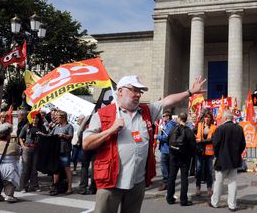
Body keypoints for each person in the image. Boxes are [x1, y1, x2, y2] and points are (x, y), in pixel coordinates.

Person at [82, 75, 206, 213]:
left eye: (140, 92)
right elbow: (86, 143)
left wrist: (190, 92)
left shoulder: (146, 111)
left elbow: (168, 101)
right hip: (111, 182)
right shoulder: (102, 114)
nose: (138, 95)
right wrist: (111, 130)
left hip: (137, 182)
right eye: (134, 90)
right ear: (120, 91)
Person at [209, 110, 246, 211]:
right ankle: (232, 205)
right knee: (233, 182)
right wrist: (237, 154)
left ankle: (215, 202)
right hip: (234, 160)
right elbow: (243, 145)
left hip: (222, 160)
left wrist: (218, 155)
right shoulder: (239, 128)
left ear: (224, 118)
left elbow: (215, 145)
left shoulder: (220, 129)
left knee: (218, 183)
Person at [166, 112, 196, 206]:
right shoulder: (189, 131)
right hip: (185, 159)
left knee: (171, 178)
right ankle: (183, 200)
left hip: (173, 157)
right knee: (184, 179)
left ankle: (170, 198)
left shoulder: (173, 129)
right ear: (186, 119)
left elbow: (168, 141)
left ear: (178, 118)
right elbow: (193, 146)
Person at [0, 123, 20, 203]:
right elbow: (18, 153)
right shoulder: (14, 145)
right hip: (9, 168)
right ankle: (9, 195)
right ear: (8, 135)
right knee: (9, 182)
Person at [19, 113, 46, 192]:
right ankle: (24, 186)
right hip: (27, 148)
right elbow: (20, 137)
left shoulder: (42, 127)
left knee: (34, 168)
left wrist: (42, 134)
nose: (34, 120)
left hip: (37, 149)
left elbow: (45, 137)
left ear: (39, 119)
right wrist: (23, 146)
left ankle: (34, 185)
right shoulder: (27, 126)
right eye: (33, 118)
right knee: (26, 168)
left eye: (36, 118)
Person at [50, 110, 74, 194]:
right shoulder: (56, 127)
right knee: (56, 169)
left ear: (63, 118)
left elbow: (70, 137)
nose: (55, 118)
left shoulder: (69, 126)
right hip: (56, 151)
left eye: (57, 117)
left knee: (66, 168)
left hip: (65, 151)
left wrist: (64, 135)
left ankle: (70, 188)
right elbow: (50, 135)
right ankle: (55, 187)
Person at [195, 111, 217, 196]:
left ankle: (209, 188)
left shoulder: (214, 127)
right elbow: (193, 132)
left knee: (209, 170)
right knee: (199, 169)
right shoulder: (199, 125)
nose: (207, 119)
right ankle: (198, 188)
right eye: (205, 117)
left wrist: (201, 141)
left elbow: (212, 140)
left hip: (209, 152)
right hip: (199, 151)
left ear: (211, 119)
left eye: (208, 117)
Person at [155, 110, 176, 191]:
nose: (162, 117)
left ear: (168, 117)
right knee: (167, 166)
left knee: (164, 167)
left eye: (163, 116)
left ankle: (166, 182)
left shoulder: (169, 125)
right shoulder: (168, 124)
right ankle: (168, 182)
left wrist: (157, 137)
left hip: (166, 149)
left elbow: (167, 137)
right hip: (166, 148)